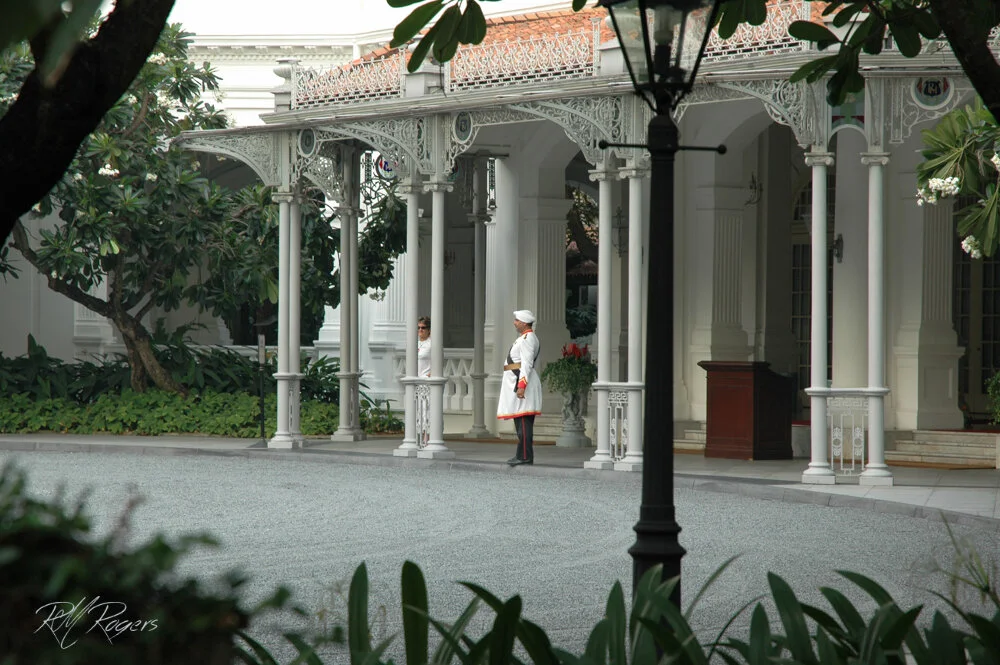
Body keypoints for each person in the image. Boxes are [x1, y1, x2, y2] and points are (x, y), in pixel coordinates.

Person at [498, 309, 541, 466]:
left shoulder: (527, 339)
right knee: (521, 422)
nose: (514, 323)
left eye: (516, 320)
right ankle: (522, 454)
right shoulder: (525, 338)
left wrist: (521, 385)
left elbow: (527, 364)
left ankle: (524, 456)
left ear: (524, 323)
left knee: (523, 422)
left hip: (522, 383)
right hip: (517, 381)